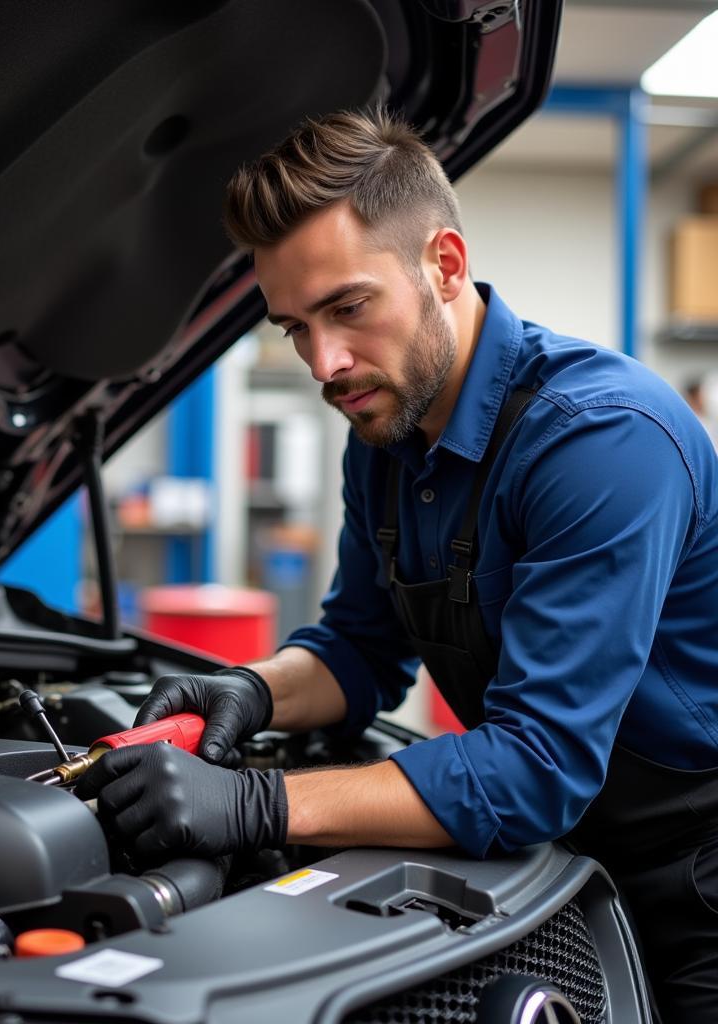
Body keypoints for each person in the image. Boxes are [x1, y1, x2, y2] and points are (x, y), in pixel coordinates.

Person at [75, 109, 718, 1021]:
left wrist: (257, 804)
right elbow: (360, 650)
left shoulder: (601, 442)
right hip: (556, 861)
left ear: (444, 265)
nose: (325, 364)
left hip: (695, 879)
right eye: (295, 327)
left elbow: (536, 768)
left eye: (347, 308)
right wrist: (250, 692)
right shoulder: (382, 435)